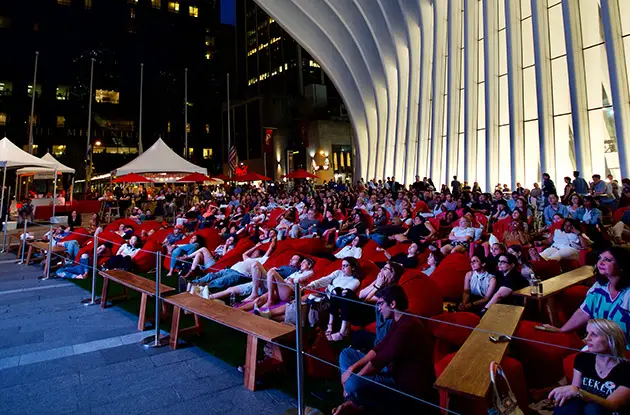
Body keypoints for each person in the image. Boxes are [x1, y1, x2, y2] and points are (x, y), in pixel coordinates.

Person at [335, 285, 439, 415]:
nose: (379, 308)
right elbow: (379, 347)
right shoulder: (399, 320)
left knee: (352, 383)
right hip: (390, 369)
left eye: (381, 304)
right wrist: (352, 368)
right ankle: (353, 399)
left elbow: (380, 360)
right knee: (346, 354)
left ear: (393, 303)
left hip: (401, 383)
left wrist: (354, 376)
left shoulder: (407, 326)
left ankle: (352, 400)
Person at [543, 247, 630, 344]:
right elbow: (584, 312)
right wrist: (561, 330)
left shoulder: (628, 294)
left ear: (622, 265)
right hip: (600, 345)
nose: (600, 263)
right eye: (600, 258)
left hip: (623, 350)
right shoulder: (599, 286)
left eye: (607, 260)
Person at [548, 319, 630, 414]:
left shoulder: (627, 369)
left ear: (611, 339)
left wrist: (580, 393)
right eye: (587, 333)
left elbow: (612, 405)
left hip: (607, 412)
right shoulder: (583, 359)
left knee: (593, 409)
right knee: (569, 405)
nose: (587, 338)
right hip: (583, 409)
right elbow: (574, 389)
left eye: (594, 334)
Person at [188, 241, 276, 294]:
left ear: (260, 254)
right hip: (230, 269)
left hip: (239, 274)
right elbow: (244, 254)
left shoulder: (261, 260)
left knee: (220, 281)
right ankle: (193, 283)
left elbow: (271, 249)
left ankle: (200, 289)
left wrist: (274, 239)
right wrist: (255, 247)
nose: (253, 253)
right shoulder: (248, 258)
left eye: (256, 252)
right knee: (211, 275)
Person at [306, 257, 361, 341]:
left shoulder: (355, 281)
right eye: (342, 266)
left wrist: (329, 286)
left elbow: (340, 293)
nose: (343, 268)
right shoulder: (338, 273)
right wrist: (312, 285)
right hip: (324, 295)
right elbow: (325, 279)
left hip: (333, 301)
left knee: (312, 308)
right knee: (300, 300)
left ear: (353, 267)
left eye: (346, 266)